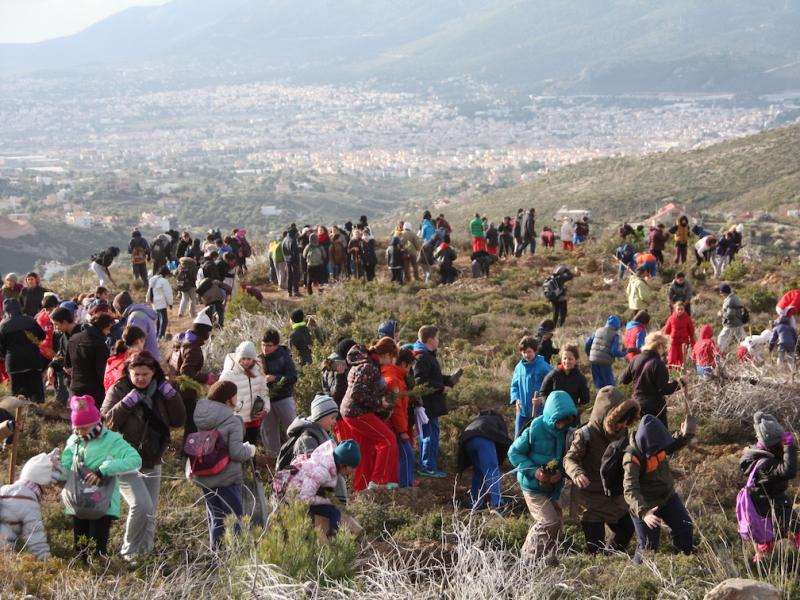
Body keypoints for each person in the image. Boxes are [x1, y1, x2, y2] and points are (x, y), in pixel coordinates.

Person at [101, 351, 184, 559]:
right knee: (141, 504)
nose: (140, 378)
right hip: (123, 458)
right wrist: (126, 404)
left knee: (150, 511)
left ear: (153, 372)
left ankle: (145, 553)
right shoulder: (118, 390)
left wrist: (172, 396)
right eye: (135, 374)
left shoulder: (162, 390)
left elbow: (178, 420)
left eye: (145, 374)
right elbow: (105, 424)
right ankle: (129, 553)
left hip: (152, 456)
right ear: (128, 372)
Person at [62, 395, 142, 558]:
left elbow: (135, 459)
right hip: (78, 501)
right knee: (80, 549)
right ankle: (83, 571)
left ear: (96, 423)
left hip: (102, 504)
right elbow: (66, 461)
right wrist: (60, 469)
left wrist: (104, 470)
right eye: (76, 428)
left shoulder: (112, 440)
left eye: (84, 428)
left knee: (97, 550)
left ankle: (100, 572)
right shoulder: (74, 439)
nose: (80, 433)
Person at [564, 386, 639, 554]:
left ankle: (609, 557)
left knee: (626, 529)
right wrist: (576, 473)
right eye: (619, 421)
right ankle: (599, 564)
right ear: (607, 415)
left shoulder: (623, 432)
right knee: (595, 548)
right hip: (589, 499)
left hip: (614, 496)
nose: (623, 425)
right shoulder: (585, 434)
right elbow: (569, 459)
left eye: (626, 421)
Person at [508, 390, 578, 565]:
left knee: (557, 524)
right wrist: (535, 472)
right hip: (532, 485)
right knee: (548, 522)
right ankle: (526, 560)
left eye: (567, 420)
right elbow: (514, 453)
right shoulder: (535, 428)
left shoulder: (568, 433)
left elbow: (567, 459)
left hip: (553, 487)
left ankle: (548, 561)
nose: (562, 424)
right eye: (560, 420)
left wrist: (560, 474)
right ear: (552, 415)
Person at [189, 381, 256, 548]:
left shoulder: (201, 416)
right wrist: (250, 450)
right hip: (227, 478)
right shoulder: (233, 421)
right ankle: (237, 555)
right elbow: (236, 453)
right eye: (235, 396)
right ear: (228, 400)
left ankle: (217, 555)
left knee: (216, 518)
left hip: (205, 476)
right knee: (234, 519)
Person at [623, 414, 696, 564]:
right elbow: (630, 489)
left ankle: (683, 566)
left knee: (684, 528)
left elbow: (670, 445)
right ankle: (638, 576)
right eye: (656, 450)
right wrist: (644, 513)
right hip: (645, 504)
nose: (660, 451)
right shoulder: (632, 458)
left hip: (667, 497)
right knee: (647, 547)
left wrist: (684, 436)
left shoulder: (656, 442)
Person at [739, 412, 800, 563]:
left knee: (767, 538)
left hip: (764, 505)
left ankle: (762, 564)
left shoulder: (758, 456)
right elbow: (789, 470)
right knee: (796, 529)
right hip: (772, 505)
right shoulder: (765, 464)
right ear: (773, 444)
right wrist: (789, 446)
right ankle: (765, 564)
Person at [341, 341, 398, 491]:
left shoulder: (365, 363)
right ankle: (379, 481)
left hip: (351, 412)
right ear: (386, 354)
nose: (392, 362)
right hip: (358, 413)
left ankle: (360, 489)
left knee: (365, 452)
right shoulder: (369, 366)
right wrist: (380, 403)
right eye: (392, 358)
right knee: (388, 439)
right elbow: (357, 393)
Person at [275, 440, 360, 538]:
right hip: (291, 498)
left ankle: (332, 536)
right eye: (352, 467)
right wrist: (327, 501)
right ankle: (333, 538)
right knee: (334, 511)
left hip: (294, 492)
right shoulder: (321, 472)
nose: (354, 471)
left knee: (334, 510)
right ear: (343, 465)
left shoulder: (325, 462)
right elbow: (304, 498)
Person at [0, 449, 62, 560]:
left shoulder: (5, 489)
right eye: (47, 484)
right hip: (3, 552)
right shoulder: (28, 502)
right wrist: (47, 562)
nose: (47, 489)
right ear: (41, 480)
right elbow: (36, 538)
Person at [413, 325, 458, 478]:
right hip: (428, 405)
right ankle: (427, 467)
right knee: (429, 435)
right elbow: (420, 381)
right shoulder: (422, 357)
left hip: (430, 404)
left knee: (431, 434)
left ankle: (428, 466)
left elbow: (431, 377)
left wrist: (448, 380)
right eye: (437, 338)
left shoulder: (426, 355)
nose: (439, 341)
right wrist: (441, 387)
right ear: (430, 340)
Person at [169, 311, 215, 452]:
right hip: (185, 390)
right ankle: (188, 451)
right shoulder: (193, 348)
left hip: (173, 385)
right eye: (208, 331)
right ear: (203, 331)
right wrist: (205, 378)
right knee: (191, 422)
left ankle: (175, 447)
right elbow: (186, 371)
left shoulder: (180, 342)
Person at [619, 332, 682, 428]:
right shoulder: (658, 364)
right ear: (660, 346)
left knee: (641, 433)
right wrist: (680, 383)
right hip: (654, 408)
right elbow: (663, 389)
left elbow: (624, 379)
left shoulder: (635, 359)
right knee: (660, 435)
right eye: (664, 347)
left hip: (636, 405)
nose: (664, 350)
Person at [457, 410, 512, 512]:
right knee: (492, 470)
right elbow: (503, 442)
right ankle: (497, 504)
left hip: (467, 440)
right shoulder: (498, 421)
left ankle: (475, 502)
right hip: (483, 439)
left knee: (479, 471)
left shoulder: (477, 421)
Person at [380, 343, 415, 488]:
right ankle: (405, 488)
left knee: (404, 456)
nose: (410, 370)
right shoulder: (393, 380)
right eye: (409, 366)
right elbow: (397, 409)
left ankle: (405, 486)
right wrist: (402, 431)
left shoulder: (396, 377)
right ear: (404, 364)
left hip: (394, 425)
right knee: (406, 456)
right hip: (394, 426)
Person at [220, 341, 270, 444]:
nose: (246, 362)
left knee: (252, 446)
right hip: (238, 419)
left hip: (254, 417)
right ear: (239, 358)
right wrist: (235, 406)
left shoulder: (258, 369)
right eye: (243, 358)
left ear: (253, 358)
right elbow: (219, 393)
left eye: (249, 359)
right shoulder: (230, 372)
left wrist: (266, 408)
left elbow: (264, 391)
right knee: (238, 447)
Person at [260, 328, 298, 459]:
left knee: (293, 429)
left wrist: (275, 378)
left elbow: (293, 377)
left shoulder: (284, 357)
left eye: (269, 345)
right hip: (266, 401)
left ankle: (298, 455)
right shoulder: (259, 359)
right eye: (263, 344)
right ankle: (274, 460)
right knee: (269, 432)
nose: (265, 348)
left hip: (283, 398)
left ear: (276, 345)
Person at [0, 298, 46, 403]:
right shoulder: (29, 320)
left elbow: (1, 348)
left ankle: (23, 412)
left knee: (18, 397)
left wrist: (5, 354)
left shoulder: (2, 325)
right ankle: (39, 411)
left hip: (14, 363)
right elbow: (42, 336)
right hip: (32, 360)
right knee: (36, 394)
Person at [66, 313, 113, 408]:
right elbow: (102, 371)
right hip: (94, 392)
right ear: (102, 327)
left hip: (75, 387)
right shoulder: (99, 344)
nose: (109, 332)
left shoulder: (73, 339)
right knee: (94, 416)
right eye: (108, 329)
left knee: (78, 416)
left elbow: (68, 364)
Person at [510, 336, 553, 437]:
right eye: (524, 352)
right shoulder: (518, 367)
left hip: (539, 411)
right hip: (522, 411)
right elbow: (514, 386)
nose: (526, 355)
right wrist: (516, 400)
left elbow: (553, 386)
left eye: (529, 352)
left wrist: (542, 400)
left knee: (537, 439)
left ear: (535, 351)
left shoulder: (544, 367)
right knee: (518, 439)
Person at [539, 344, 590, 408]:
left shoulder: (580, 378)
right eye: (564, 358)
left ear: (575, 360)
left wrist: (577, 408)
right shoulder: (553, 374)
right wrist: (549, 405)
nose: (567, 361)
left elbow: (585, 399)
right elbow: (543, 393)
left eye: (570, 359)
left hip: (571, 412)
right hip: (553, 411)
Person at [113, 291, 160, 359]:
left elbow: (135, 343)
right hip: (146, 357)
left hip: (147, 360)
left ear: (120, 308)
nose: (117, 313)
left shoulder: (136, 317)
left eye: (116, 310)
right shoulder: (136, 314)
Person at [585, 315, 626, 390]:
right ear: (617, 326)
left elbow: (588, 343)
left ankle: (599, 396)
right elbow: (614, 351)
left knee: (598, 384)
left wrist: (589, 354)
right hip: (605, 362)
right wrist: (624, 353)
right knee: (609, 386)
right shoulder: (615, 335)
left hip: (593, 360)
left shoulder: (598, 331)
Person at [103, 326, 146, 391]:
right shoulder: (137, 358)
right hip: (126, 394)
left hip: (110, 393)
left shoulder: (116, 356)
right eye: (144, 341)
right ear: (139, 341)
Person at [321, 336, 356, 408]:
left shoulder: (332, 363)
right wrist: (340, 377)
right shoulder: (335, 366)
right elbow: (335, 395)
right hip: (340, 409)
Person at [662, 301, 696, 368]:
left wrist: (693, 343)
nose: (680, 311)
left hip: (683, 343)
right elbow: (666, 331)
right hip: (673, 343)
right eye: (678, 309)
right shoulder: (671, 318)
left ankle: (680, 374)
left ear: (684, 309)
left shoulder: (687, 318)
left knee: (682, 362)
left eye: (682, 309)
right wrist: (666, 340)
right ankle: (671, 373)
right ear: (675, 309)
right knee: (671, 360)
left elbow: (691, 332)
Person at [718, 283, 747, 353]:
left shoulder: (730, 300)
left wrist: (721, 314)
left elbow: (731, 315)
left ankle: (720, 354)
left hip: (731, 325)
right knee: (743, 341)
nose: (720, 294)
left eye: (721, 292)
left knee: (721, 339)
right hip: (738, 323)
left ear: (724, 292)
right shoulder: (735, 297)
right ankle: (747, 354)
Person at [147, 266, 173, 339]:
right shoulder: (164, 281)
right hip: (161, 302)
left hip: (154, 302)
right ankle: (161, 336)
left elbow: (149, 291)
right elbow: (168, 293)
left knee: (158, 319)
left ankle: (157, 334)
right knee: (164, 320)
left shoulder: (153, 279)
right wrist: (170, 303)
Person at [283, 226, 302, 297]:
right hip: (294, 261)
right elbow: (295, 252)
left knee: (289, 276)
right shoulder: (293, 241)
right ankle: (296, 291)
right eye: (296, 233)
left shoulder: (284, 240)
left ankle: (289, 292)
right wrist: (298, 262)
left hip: (287, 260)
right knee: (295, 276)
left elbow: (284, 250)